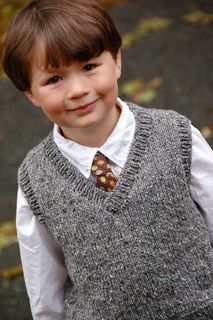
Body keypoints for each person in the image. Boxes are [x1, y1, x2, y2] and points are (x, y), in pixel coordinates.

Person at [1, 0, 213, 319]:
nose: (77, 90)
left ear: (115, 60)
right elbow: (44, 283)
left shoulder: (176, 134)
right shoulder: (35, 181)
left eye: (89, 67)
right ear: (30, 93)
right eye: (53, 79)